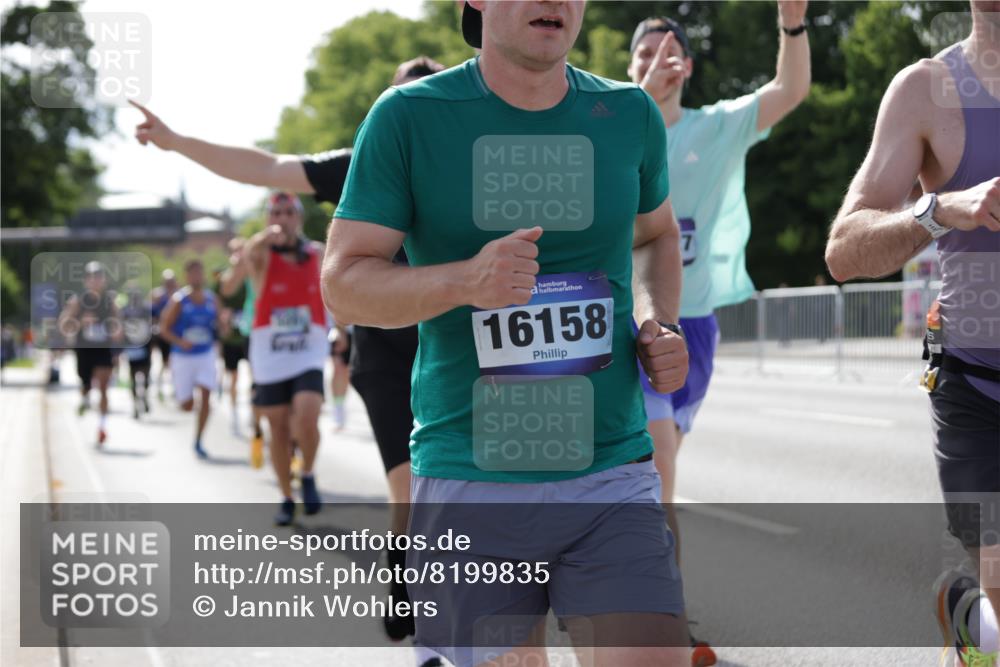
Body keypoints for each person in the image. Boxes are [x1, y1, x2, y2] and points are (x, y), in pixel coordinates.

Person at [323, 1, 690, 665]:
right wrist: (466, 281)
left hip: (611, 469)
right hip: (472, 479)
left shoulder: (628, 114)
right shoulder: (409, 117)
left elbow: (657, 233)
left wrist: (654, 318)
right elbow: (344, 281)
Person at [131, 58, 445, 662]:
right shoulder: (362, 165)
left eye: (428, 102)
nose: (415, 116)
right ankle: (416, 597)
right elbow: (265, 167)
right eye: (402, 104)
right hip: (385, 352)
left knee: (465, 493)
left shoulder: (470, 164)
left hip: (457, 349)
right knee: (412, 492)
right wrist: (174, 142)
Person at [824, 3, 998, 665]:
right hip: (976, 392)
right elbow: (844, 250)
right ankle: (969, 608)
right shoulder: (929, 91)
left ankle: (971, 618)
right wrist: (938, 211)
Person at [627, 0, 810, 561]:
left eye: (672, 52)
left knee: (657, 467)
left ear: (688, 67)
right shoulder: (612, 126)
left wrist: (793, 22)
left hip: (697, 327)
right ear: (630, 65)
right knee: (659, 475)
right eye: (646, 53)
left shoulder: (718, 127)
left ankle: (636, 595)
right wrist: (644, 102)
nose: (660, 59)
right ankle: (665, 613)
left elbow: (790, 88)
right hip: (633, 322)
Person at [244, 192, 327, 526]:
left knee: (307, 414)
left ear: (299, 217)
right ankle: (286, 497)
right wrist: (268, 235)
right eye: (275, 213)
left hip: (308, 346)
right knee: (277, 427)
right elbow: (249, 253)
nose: (282, 218)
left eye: (288, 212)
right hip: (270, 348)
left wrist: (343, 333)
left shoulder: (317, 253)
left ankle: (306, 472)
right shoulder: (262, 255)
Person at [157, 259, 220, 459]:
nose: (197, 276)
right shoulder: (179, 300)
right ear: (187, 276)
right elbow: (163, 329)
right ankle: (188, 402)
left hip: (206, 354)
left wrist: (225, 325)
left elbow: (220, 326)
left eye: (200, 272)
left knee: (207, 396)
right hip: (183, 357)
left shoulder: (212, 299)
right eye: (193, 273)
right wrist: (180, 341)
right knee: (187, 405)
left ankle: (199, 439)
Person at [58, 261, 122, 446]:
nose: (96, 281)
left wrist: (117, 339)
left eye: (99, 277)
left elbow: (119, 326)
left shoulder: (111, 302)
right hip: (84, 349)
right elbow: (63, 325)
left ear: (104, 280)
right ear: (86, 281)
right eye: (92, 277)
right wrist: (80, 323)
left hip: (103, 349)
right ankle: (85, 397)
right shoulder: (78, 300)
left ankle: (102, 427)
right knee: (86, 385)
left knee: (103, 387)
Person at [150, 269, 178, 401]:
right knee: (164, 362)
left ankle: (174, 387)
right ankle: (160, 386)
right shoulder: (158, 295)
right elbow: (153, 314)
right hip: (162, 334)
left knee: (174, 362)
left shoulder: (179, 296)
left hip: (175, 334)